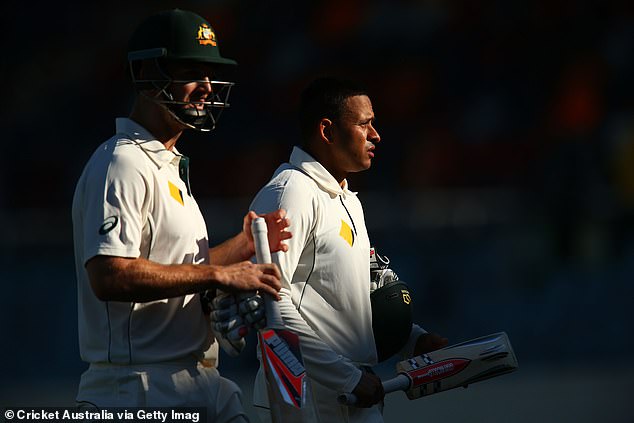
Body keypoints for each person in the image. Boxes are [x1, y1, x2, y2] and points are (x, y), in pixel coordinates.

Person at [71, 9, 290, 423]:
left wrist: (241, 248)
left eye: (211, 74)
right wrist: (218, 276)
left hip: (200, 382)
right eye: (192, 71)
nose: (207, 87)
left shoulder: (165, 164)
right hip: (136, 390)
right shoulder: (121, 163)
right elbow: (109, 275)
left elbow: (178, 269)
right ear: (149, 73)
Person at [247, 77, 448, 423]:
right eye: (365, 124)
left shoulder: (346, 199)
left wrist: (412, 341)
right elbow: (268, 306)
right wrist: (347, 377)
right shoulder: (290, 193)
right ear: (327, 130)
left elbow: (348, 301)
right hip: (304, 397)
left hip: (354, 393)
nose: (376, 135)